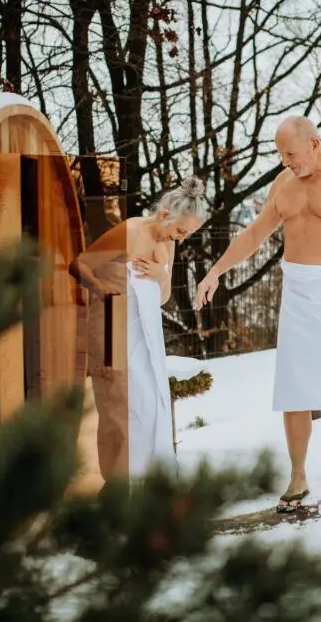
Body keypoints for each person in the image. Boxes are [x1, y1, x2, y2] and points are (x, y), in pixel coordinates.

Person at [193, 116, 321, 512]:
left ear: (314, 144)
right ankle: (298, 476)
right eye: (282, 155)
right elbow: (255, 234)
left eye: (290, 154)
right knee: (294, 389)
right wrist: (216, 271)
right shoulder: (283, 184)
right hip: (300, 294)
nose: (286, 162)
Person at [71, 176, 208, 482]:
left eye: (187, 234)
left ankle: (148, 479)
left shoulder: (168, 243)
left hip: (144, 330)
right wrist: (102, 291)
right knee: (117, 404)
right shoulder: (130, 231)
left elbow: (163, 297)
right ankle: (116, 485)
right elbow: (78, 265)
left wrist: (161, 275)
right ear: (165, 215)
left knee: (149, 401)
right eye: (181, 231)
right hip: (111, 322)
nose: (181, 239)